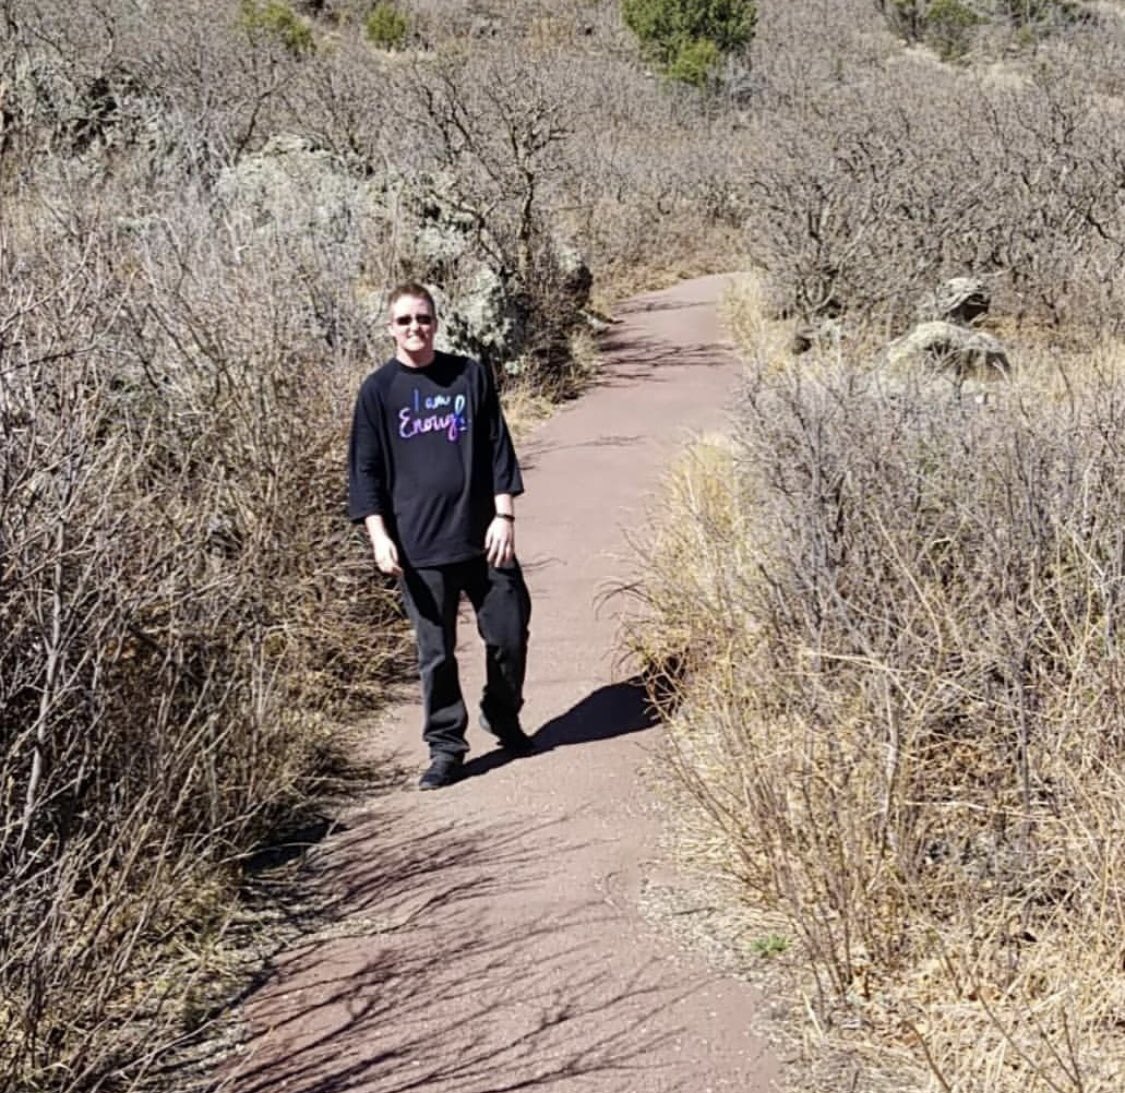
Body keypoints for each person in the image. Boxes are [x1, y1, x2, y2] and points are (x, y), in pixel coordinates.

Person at [348, 282, 534, 789]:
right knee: (436, 654)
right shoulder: (378, 391)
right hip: (418, 546)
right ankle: (446, 747)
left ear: (436, 322)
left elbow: (498, 446)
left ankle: (502, 713)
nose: (415, 328)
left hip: (483, 537)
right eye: (405, 320)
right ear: (391, 327)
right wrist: (378, 536)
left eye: (423, 319)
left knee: (510, 633)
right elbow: (365, 471)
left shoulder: (469, 375)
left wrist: (504, 516)